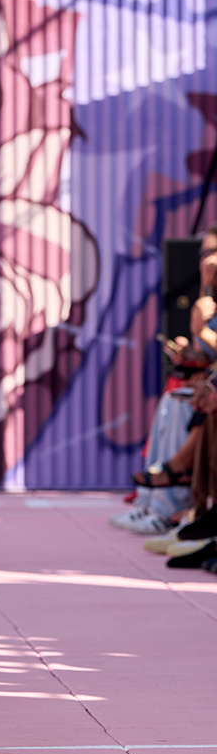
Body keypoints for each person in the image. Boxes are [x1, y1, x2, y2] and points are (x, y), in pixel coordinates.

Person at [111, 227, 217, 535]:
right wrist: (191, 352)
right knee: (173, 399)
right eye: (203, 252)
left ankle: (170, 504)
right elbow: (207, 352)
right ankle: (151, 503)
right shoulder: (209, 297)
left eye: (213, 252)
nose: (207, 260)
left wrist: (202, 332)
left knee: (187, 406)